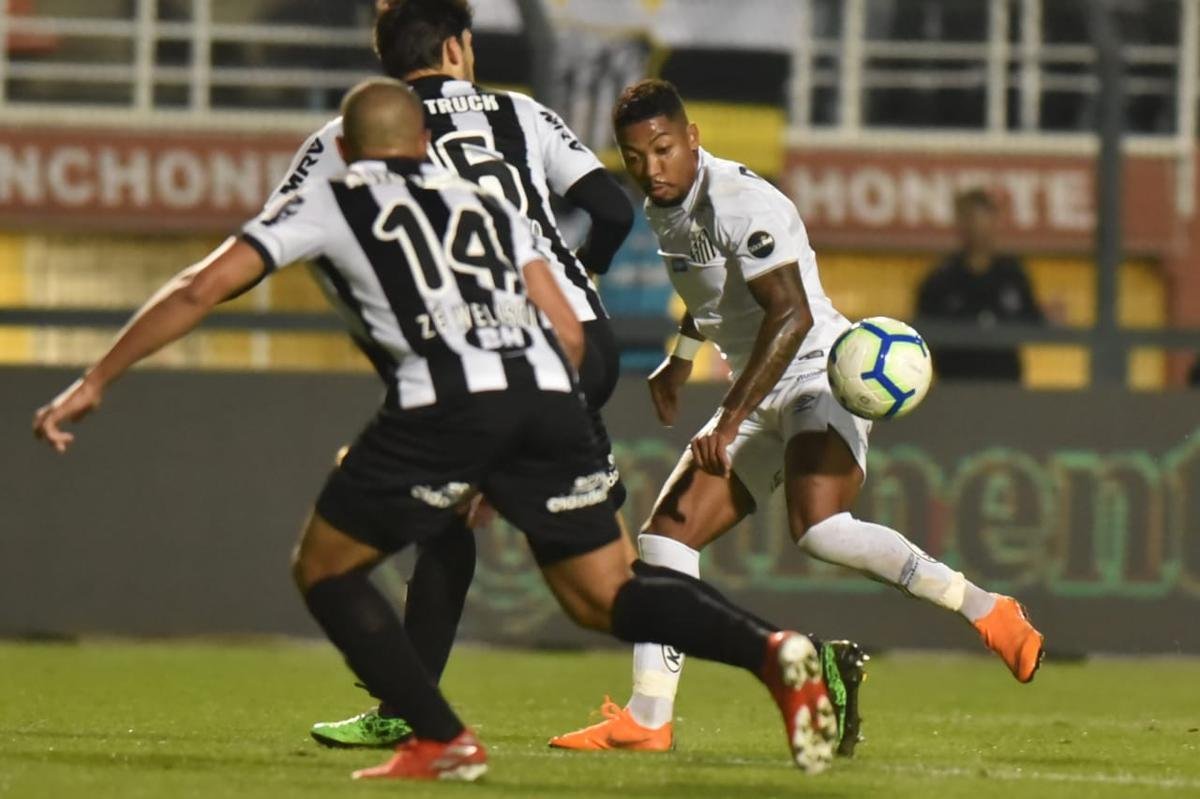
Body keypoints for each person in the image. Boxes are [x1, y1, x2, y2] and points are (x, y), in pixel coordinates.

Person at [32, 78, 856, 781]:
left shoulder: (333, 193)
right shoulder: (487, 198)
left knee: (324, 566)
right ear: (424, 141)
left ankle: (439, 736)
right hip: (547, 389)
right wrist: (523, 446)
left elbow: (198, 288)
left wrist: (97, 378)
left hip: (448, 400)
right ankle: (773, 650)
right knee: (607, 595)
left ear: (346, 148)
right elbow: (564, 321)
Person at [549, 80, 1045, 754]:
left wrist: (729, 419)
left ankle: (986, 608)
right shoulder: (669, 205)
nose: (651, 168)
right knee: (666, 538)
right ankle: (648, 718)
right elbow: (716, 292)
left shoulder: (740, 200)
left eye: (662, 150)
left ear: (692, 138)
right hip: (756, 385)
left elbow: (791, 314)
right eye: (635, 158)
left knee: (819, 529)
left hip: (817, 374)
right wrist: (682, 357)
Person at [267, 0, 637, 748]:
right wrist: (581, 280)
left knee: (591, 582)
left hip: (490, 354)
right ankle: (758, 658)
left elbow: (283, 234)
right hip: (583, 341)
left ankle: (769, 652)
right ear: (459, 47)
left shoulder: (353, 135)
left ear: (385, 66)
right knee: (554, 555)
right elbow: (611, 210)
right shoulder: (522, 113)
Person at [916, 188, 1046, 381]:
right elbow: (923, 332)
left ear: (994, 223)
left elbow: (1033, 321)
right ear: (960, 224)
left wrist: (1047, 316)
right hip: (955, 383)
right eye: (970, 219)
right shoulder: (941, 279)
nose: (977, 228)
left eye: (983, 220)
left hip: (1005, 382)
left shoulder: (1013, 274)